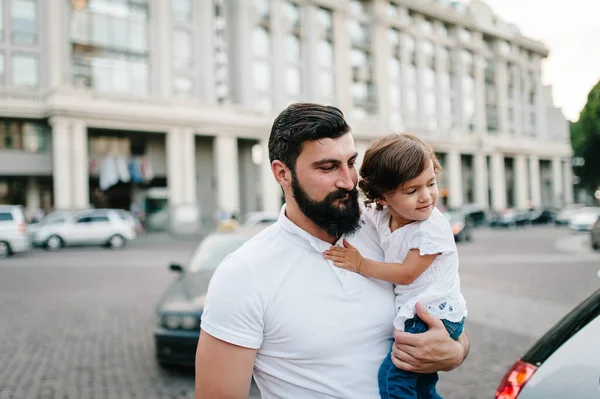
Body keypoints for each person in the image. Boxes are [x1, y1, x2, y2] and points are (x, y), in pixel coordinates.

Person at [195, 104, 469, 399]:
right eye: (328, 167)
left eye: (351, 163)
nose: (348, 181)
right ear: (282, 174)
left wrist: (454, 353)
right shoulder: (244, 274)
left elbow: (449, 323)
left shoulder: (387, 228)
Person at [324, 133, 467, 399]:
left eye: (431, 184)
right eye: (412, 191)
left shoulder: (431, 226)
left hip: (433, 314)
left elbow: (406, 273)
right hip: (419, 311)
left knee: (393, 379)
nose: (426, 197)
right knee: (422, 387)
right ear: (382, 197)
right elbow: (358, 215)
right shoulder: (382, 215)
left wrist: (360, 264)